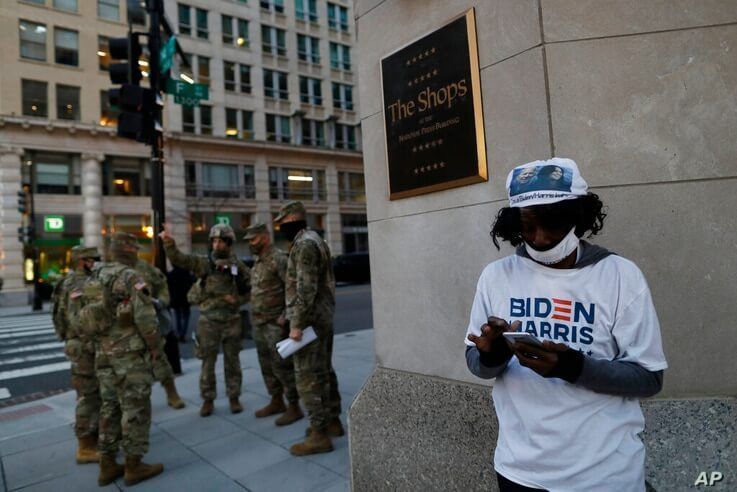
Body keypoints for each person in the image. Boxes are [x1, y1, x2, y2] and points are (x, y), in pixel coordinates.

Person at [465, 157, 667, 491]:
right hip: (519, 472)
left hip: (604, 475)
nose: (540, 238)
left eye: (553, 224)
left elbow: (648, 378)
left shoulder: (619, 275)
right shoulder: (496, 276)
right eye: (528, 226)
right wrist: (491, 353)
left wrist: (573, 367)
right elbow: (478, 365)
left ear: (579, 217)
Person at [79, 234, 164, 486]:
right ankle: (134, 465)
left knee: (109, 407)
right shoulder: (130, 276)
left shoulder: (95, 275)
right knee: (135, 408)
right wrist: (155, 347)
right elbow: (146, 318)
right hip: (128, 354)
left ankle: (106, 464)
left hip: (103, 353)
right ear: (129, 251)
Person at [159, 224, 251, 416]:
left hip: (232, 320)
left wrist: (238, 300)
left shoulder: (238, 267)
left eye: (220, 241)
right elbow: (180, 259)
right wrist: (168, 242)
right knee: (207, 363)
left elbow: (252, 289)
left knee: (232, 362)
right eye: (214, 241)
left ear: (229, 243)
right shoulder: (204, 263)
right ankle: (208, 400)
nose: (216, 245)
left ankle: (234, 398)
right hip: (208, 322)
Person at [274, 201, 343, 456]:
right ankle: (332, 420)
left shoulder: (303, 245)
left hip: (310, 322)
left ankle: (318, 433)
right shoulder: (315, 238)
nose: (280, 228)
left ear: (292, 219)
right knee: (324, 370)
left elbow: (305, 289)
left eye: (282, 223)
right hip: (322, 318)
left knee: (308, 376)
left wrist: (296, 324)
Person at [110, 232, 185, 409]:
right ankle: (130, 402)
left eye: (135, 248)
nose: (134, 251)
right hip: (123, 327)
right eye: (131, 247)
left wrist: (161, 302)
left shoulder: (146, 268)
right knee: (125, 367)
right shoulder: (109, 271)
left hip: (149, 322)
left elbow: (162, 286)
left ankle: (171, 393)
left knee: (160, 359)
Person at [244, 223, 304, 425]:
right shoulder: (258, 261)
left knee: (282, 367)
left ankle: (294, 406)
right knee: (266, 366)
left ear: (265, 237)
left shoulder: (278, 259)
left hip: (274, 324)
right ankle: (276, 400)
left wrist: (286, 316)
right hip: (259, 324)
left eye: (253, 239)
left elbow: (293, 288)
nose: (250, 243)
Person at [52, 245, 102, 464]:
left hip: (76, 343)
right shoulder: (81, 283)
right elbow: (79, 318)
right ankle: (85, 446)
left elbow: (57, 317)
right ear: (82, 260)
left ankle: (93, 437)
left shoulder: (64, 282)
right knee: (88, 397)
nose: (94, 263)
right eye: (91, 260)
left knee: (90, 393)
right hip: (85, 345)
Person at [167, 265, 195, 343]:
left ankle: (179, 332)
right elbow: (192, 282)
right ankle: (182, 333)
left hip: (175, 298)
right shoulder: (187, 273)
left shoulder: (171, 274)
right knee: (186, 316)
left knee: (177, 316)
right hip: (185, 298)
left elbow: (168, 286)